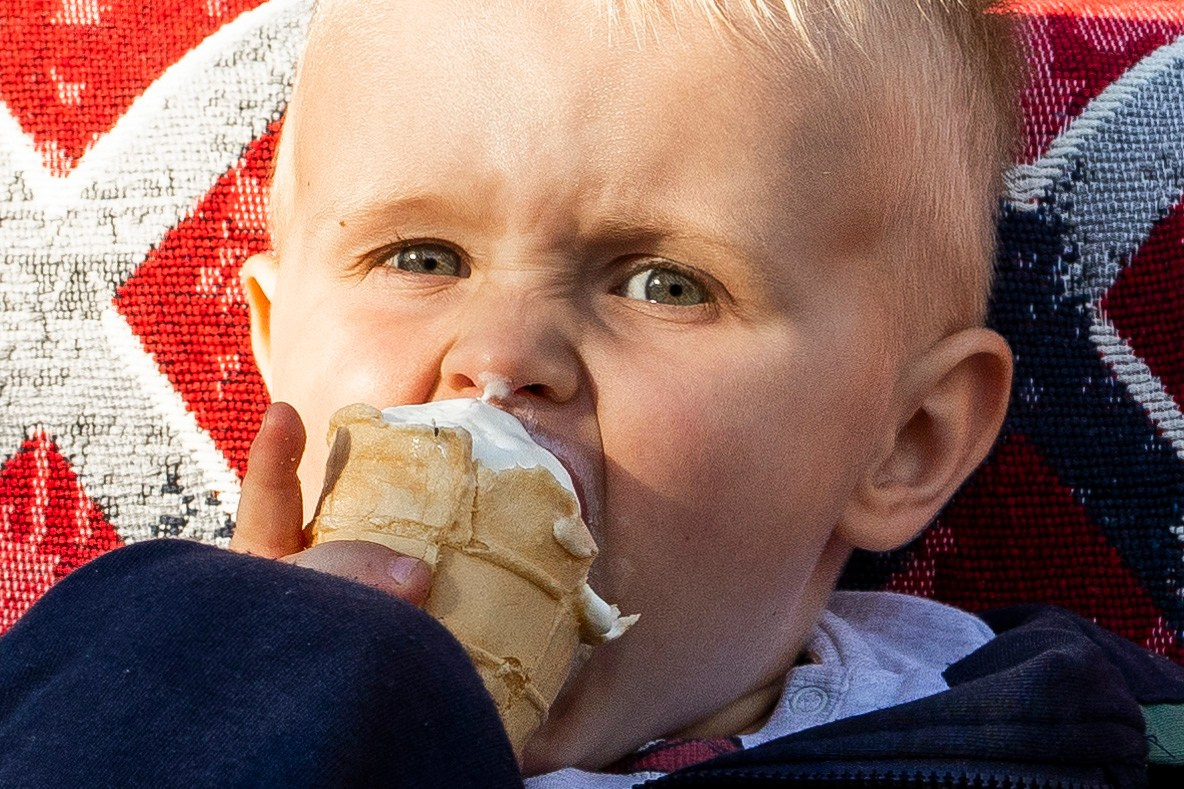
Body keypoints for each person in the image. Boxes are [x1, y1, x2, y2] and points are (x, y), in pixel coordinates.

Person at [1, 0, 1182, 786]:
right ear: (272, 344)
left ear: (902, 444)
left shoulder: (1053, 728)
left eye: (665, 283)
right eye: (421, 258)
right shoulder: (106, 680)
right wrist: (211, 686)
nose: (501, 355)